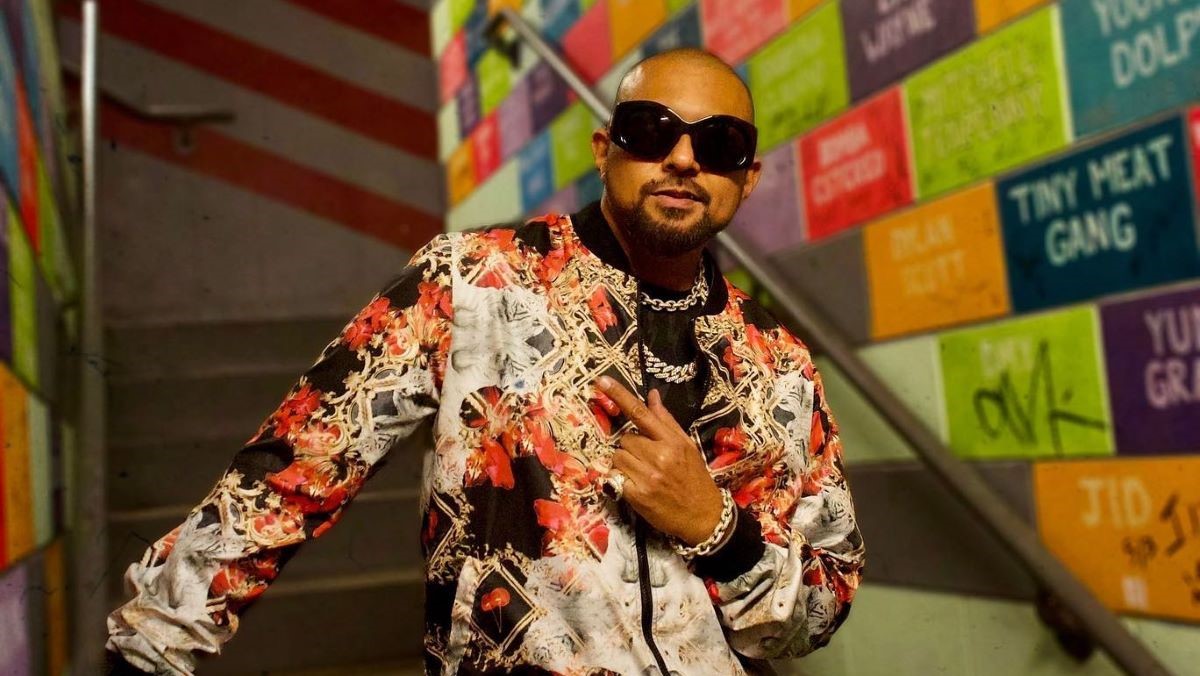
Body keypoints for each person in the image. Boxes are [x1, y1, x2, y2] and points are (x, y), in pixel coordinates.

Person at [105, 47, 865, 675]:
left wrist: (718, 530)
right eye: (650, 130)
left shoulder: (778, 363)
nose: (683, 159)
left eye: (719, 144)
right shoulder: (475, 282)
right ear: (604, 150)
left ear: (747, 178)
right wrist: (150, 646)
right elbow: (294, 470)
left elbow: (821, 608)